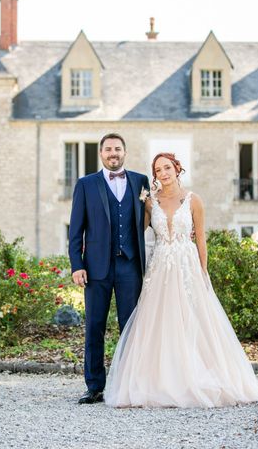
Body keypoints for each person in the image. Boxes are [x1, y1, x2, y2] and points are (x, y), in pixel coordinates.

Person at [104, 153, 258, 407]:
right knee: (160, 321)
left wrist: (204, 273)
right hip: (160, 267)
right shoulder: (150, 202)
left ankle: (199, 375)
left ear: (177, 169)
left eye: (167, 167)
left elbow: (201, 240)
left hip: (187, 264)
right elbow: (135, 232)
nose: (163, 173)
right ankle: (160, 381)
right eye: (158, 170)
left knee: (194, 319)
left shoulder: (194, 200)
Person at [68, 133, 150, 404]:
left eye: (117, 149)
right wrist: (77, 265)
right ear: (101, 153)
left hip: (130, 265)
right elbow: (75, 230)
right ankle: (94, 386)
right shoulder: (85, 184)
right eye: (108, 149)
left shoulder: (141, 181)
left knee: (131, 327)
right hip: (96, 267)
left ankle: (129, 384)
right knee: (94, 326)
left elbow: (150, 218)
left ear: (124, 152)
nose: (113, 153)